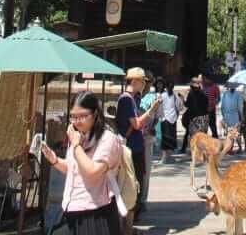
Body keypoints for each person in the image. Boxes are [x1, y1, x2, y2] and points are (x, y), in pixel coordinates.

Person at [42, 91, 122, 235]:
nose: (77, 121)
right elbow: (74, 169)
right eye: (73, 116)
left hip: (96, 212)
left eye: (82, 116)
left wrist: (76, 145)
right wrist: (54, 160)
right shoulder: (78, 137)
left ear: (95, 114)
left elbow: (91, 172)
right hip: (72, 208)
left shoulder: (107, 139)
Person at [116, 67, 160, 218]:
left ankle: (132, 217)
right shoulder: (126, 100)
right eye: (142, 82)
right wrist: (151, 110)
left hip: (136, 145)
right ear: (134, 81)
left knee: (137, 181)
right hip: (131, 147)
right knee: (132, 183)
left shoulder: (133, 99)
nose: (144, 85)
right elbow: (136, 124)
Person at [220, 84, 244, 152]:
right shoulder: (225, 94)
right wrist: (224, 116)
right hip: (227, 115)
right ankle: (230, 148)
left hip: (235, 115)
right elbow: (222, 106)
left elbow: (240, 107)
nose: (231, 87)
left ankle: (239, 147)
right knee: (229, 133)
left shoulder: (238, 94)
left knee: (236, 132)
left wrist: (241, 117)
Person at [202, 74, 220, 138]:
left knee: (212, 125)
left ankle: (215, 138)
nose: (203, 80)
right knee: (204, 126)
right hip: (203, 110)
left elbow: (218, 98)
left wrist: (213, 103)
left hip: (211, 109)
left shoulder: (215, 87)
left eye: (205, 79)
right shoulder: (202, 87)